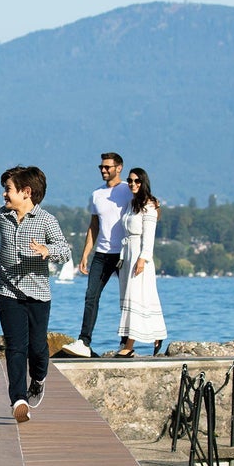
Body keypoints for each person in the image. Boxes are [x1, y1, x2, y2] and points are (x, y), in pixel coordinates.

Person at [0, 166, 70, 423]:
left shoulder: (46, 220)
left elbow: (65, 251)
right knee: (15, 347)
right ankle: (19, 399)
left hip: (39, 295)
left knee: (38, 348)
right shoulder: (2, 216)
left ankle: (38, 379)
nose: (4, 195)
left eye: (8, 190)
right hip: (8, 292)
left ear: (26, 192)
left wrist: (47, 250)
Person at [61, 152, 131, 358]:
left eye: (107, 167)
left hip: (124, 253)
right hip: (101, 254)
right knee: (91, 296)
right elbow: (93, 226)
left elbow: (149, 207)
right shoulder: (97, 194)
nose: (103, 170)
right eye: (101, 167)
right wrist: (85, 255)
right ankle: (84, 341)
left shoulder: (129, 189)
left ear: (119, 168)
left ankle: (127, 344)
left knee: (127, 298)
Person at [115, 167, 167, 357]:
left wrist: (142, 259)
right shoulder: (131, 203)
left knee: (137, 297)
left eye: (137, 181)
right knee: (142, 298)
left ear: (143, 182)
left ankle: (128, 346)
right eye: (130, 181)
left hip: (139, 255)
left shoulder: (149, 206)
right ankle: (158, 334)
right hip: (127, 253)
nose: (132, 184)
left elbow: (149, 237)